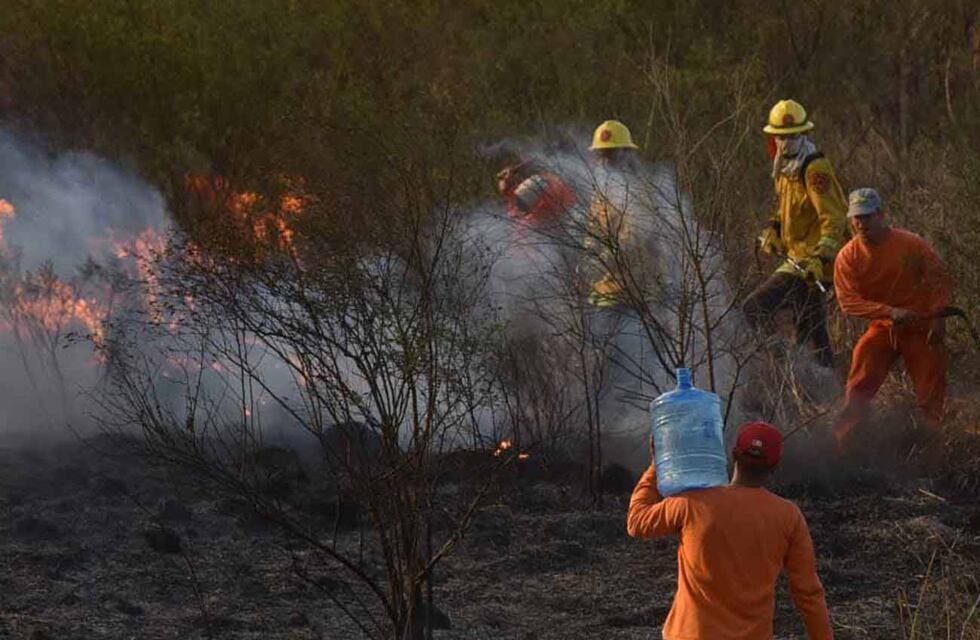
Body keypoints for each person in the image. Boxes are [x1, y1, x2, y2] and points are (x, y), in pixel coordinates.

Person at [627, 422, 833, 640]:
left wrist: (656, 466)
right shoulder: (789, 517)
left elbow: (637, 522)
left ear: (734, 455)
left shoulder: (693, 503)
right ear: (775, 466)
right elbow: (808, 594)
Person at [831, 188, 950, 448]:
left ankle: (936, 446)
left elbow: (938, 278)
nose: (862, 224)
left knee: (931, 390)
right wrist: (889, 312)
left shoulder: (910, 244)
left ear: (881, 214)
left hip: (921, 326)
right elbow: (847, 301)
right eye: (856, 218)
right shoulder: (848, 257)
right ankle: (843, 444)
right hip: (884, 327)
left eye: (867, 217)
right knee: (859, 380)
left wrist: (939, 320)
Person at [743, 99, 848, 367]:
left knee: (753, 308)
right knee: (811, 329)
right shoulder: (783, 168)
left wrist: (820, 258)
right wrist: (773, 230)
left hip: (812, 263)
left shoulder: (814, 169)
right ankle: (823, 391)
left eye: (793, 135)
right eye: (783, 136)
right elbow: (785, 210)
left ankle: (780, 362)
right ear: (773, 137)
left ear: (804, 133)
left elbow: (834, 217)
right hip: (796, 259)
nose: (787, 141)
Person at [585, 119, 641, 309]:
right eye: (601, 155)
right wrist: (589, 254)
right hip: (605, 290)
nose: (604, 162)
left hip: (637, 292)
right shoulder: (600, 195)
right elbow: (593, 231)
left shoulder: (639, 191)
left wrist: (604, 259)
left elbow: (634, 238)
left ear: (627, 156)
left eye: (611, 155)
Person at [495, 160, 576, 230]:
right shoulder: (548, 183)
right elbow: (507, 192)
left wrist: (505, 178)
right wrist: (505, 178)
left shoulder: (530, 221)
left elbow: (507, 193)